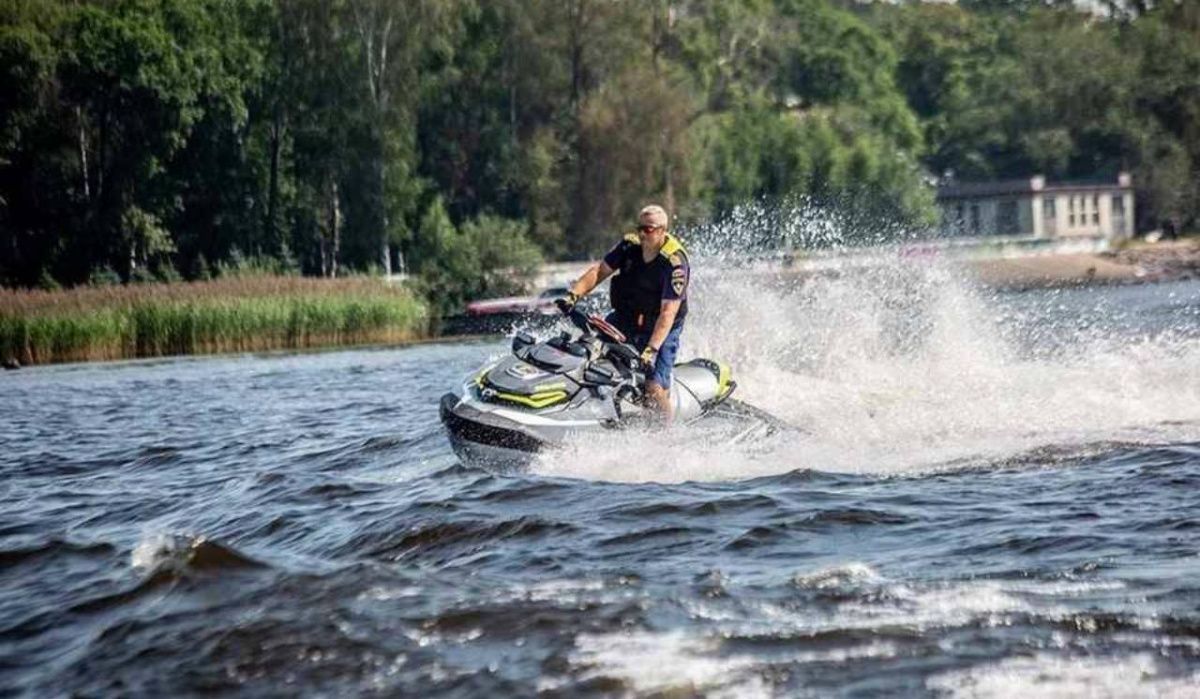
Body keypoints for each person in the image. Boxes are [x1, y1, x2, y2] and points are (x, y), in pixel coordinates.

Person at [555, 204, 690, 421]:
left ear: (663, 230)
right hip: (626, 318)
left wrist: (651, 350)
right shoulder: (629, 246)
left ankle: (667, 433)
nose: (642, 234)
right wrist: (573, 295)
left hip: (662, 327)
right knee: (588, 350)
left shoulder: (674, 263)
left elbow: (668, 313)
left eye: (649, 229)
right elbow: (599, 271)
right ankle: (576, 409)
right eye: (640, 228)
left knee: (653, 387)